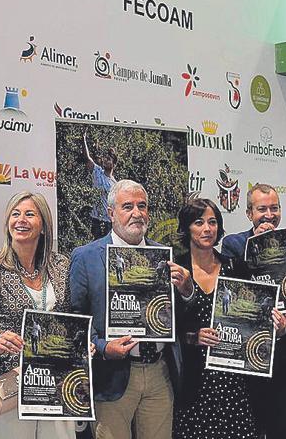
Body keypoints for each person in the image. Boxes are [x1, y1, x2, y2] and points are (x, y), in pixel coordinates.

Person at [70, 180, 193, 439]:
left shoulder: (164, 256)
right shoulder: (86, 256)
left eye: (142, 206)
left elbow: (179, 319)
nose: (137, 213)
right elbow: (76, 322)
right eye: (128, 206)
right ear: (110, 212)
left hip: (160, 372)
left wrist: (186, 291)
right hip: (111, 376)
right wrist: (103, 348)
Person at [172, 198, 286, 439]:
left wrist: (275, 327)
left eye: (213, 222)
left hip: (236, 384)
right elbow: (167, 326)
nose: (207, 229)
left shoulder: (236, 268)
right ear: (186, 229)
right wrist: (193, 337)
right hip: (193, 383)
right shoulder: (177, 270)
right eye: (199, 222)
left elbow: (254, 319)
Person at [0, 191, 74, 438]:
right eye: (15, 214)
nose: (21, 220)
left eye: (29, 214)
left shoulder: (62, 266)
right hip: (9, 384)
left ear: (44, 226)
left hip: (56, 383)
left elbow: (70, 321)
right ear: (7, 224)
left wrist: (80, 343)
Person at [220, 183, 286, 439]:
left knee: (280, 430)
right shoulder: (234, 245)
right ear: (249, 213)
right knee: (249, 430)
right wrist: (260, 243)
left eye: (274, 208)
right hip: (248, 356)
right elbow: (234, 290)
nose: (269, 215)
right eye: (262, 209)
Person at [83, 132, 118, 239]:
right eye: (105, 159)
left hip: (107, 222)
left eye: (109, 159)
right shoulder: (97, 171)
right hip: (96, 218)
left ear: (114, 164)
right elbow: (87, 158)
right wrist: (83, 139)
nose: (106, 161)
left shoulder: (115, 185)